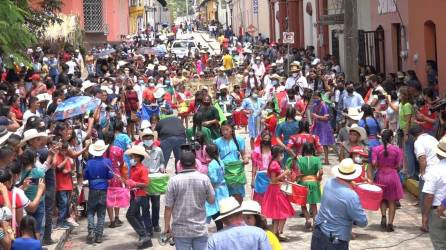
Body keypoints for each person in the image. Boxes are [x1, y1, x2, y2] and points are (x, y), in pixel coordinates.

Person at [163, 151, 215, 250]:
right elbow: (212, 200)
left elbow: (168, 207)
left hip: (180, 230)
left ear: (180, 164)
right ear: (195, 164)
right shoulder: (204, 179)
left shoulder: (173, 181)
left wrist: (167, 226)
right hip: (199, 228)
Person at [369, 129, 403, 232]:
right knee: (392, 200)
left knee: (383, 198)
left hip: (380, 175)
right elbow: (399, 165)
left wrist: (380, 165)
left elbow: (374, 163)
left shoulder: (376, 149)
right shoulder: (397, 150)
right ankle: (390, 223)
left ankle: (383, 216)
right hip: (392, 175)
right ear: (391, 138)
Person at [83, 140, 114, 244]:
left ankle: (91, 231)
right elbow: (110, 175)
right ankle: (99, 236)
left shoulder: (89, 162)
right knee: (101, 214)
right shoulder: (107, 161)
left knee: (91, 211)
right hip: (103, 189)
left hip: (92, 189)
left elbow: (85, 175)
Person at [261, 146, 294, 241]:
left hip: (277, 189)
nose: (282, 155)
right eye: (281, 154)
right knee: (283, 212)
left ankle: (276, 233)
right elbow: (273, 180)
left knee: (278, 214)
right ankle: (279, 232)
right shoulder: (274, 165)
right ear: (277, 154)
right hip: (276, 191)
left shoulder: (276, 163)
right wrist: (285, 173)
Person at [124, 145, 152, 248]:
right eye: (132, 157)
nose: (132, 158)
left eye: (134, 157)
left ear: (139, 157)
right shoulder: (132, 168)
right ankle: (144, 236)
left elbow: (146, 183)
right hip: (133, 194)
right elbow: (130, 181)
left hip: (140, 195)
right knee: (136, 215)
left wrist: (134, 183)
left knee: (130, 215)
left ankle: (143, 235)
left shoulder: (143, 169)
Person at [421, 135, 446, 249]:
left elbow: (429, 196)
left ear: (438, 153)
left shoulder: (434, 170)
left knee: (440, 244)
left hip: (439, 211)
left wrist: (425, 215)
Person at [214, 123, 249, 203]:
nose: (225, 132)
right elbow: (216, 156)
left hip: (237, 171)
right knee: (226, 194)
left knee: (238, 193)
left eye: (227, 129)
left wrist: (246, 159)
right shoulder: (217, 142)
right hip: (224, 170)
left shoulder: (239, 140)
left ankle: (239, 210)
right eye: (223, 130)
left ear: (232, 130)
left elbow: (243, 154)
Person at [293, 143, 323, 231]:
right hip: (314, 182)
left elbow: (298, 172)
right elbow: (321, 171)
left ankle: (307, 219)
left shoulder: (300, 159)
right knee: (313, 204)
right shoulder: (317, 159)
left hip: (303, 183)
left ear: (304, 150)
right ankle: (315, 222)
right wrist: (319, 178)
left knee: (303, 203)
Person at [410, 124, 439, 208]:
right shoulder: (432, 138)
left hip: (430, 170)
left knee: (425, 198)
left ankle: (425, 213)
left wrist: (422, 173)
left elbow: (422, 158)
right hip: (440, 169)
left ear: (413, 136)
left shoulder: (418, 142)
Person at [205, 144, 229, 232]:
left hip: (216, 190)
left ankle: (220, 229)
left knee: (215, 211)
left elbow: (214, 179)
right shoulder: (220, 161)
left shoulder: (211, 164)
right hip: (223, 189)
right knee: (221, 209)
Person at [102, 131, 125, 228]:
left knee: (109, 198)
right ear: (114, 139)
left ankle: (111, 220)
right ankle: (116, 217)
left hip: (105, 176)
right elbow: (122, 163)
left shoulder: (101, 151)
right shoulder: (118, 150)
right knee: (117, 197)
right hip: (116, 175)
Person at [311, 91, 335, 165]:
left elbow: (326, 117)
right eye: (314, 97)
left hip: (324, 126)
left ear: (319, 97)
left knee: (324, 144)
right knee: (314, 142)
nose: (315, 98)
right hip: (316, 125)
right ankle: (313, 160)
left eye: (316, 97)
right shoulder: (314, 104)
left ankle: (326, 159)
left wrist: (316, 116)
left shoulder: (324, 105)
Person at [251, 131, 272, 204]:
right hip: (260, 176)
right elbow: (254, 166)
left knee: (270, 197)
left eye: (268, 139)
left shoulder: (272, 150)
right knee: (260, 198)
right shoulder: (256, 151)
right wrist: (253, 179)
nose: (267, 140)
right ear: (261, 138)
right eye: (265, 138)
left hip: (271, 175)